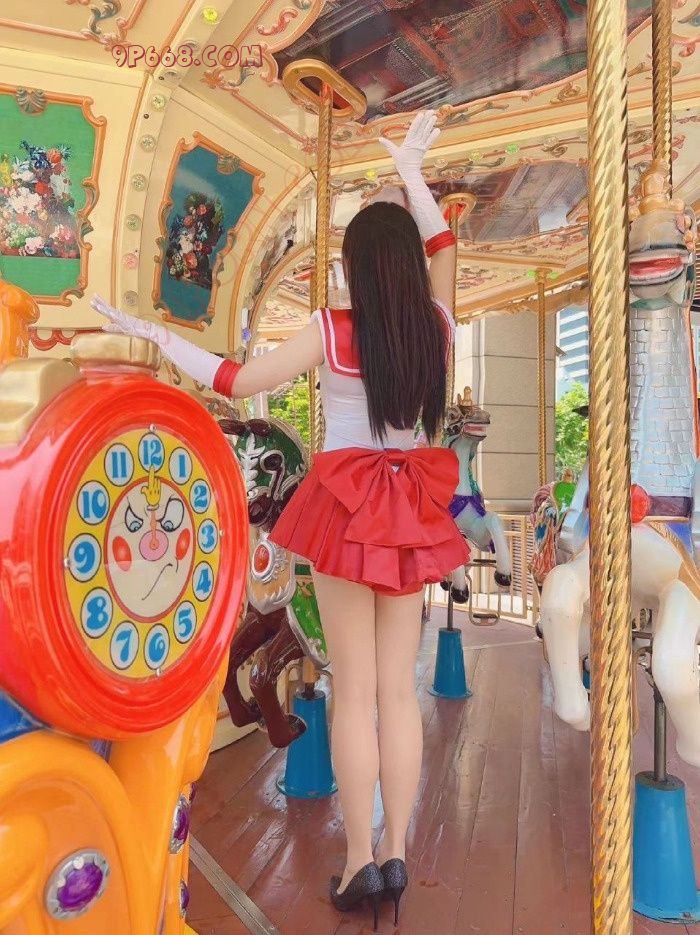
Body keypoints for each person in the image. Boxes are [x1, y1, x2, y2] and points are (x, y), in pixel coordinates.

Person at [92, 110, 469, 930]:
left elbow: (235, 377)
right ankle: (397, 849)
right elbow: (445, 248)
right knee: (398, 692)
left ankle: (359, 859)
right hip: (408, 502)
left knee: (354, 690)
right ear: (405, 267)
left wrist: (154, 333)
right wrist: (411, 173)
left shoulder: (334, 331)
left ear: (357, 270)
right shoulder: (436, 332)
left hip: (346, 503)